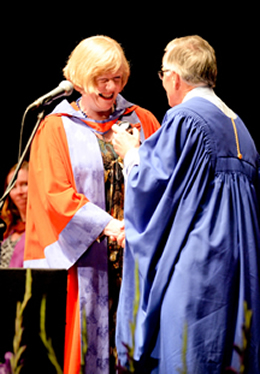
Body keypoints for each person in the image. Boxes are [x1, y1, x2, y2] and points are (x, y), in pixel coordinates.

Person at [113, 35, 260, 373]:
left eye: (162, 73)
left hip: (195, 268)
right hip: (237, 270)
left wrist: (130, 153)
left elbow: (152, 184)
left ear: (174, 77)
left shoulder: (185, 119)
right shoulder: (240, 127)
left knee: (187, 354)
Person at [23, 35, 160, 374]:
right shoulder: (55, 127)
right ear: (81, 78)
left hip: (137, 256)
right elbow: (54, 194)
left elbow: (164, 182)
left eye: (117, 78)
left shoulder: (142, 120)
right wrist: (110, 226)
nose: (111, 86)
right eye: (102, 79)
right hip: (84, 261)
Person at [0, 161, 28, 268]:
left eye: (25, 184)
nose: (19, 192)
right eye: (13, 187)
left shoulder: (44, 229)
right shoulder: (8, 227)